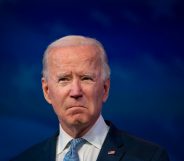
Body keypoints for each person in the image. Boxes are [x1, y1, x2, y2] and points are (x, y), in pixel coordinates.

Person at [11, 35, 170, 161]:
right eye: (64, 79)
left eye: (86, 78)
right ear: (47, 91)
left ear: (105, 89)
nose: (75, 92)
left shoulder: (150, 157)